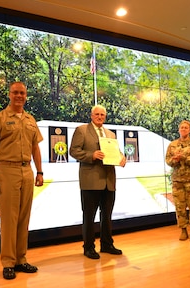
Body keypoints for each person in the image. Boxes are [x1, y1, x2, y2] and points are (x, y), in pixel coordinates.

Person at [0, 81, 44, 279]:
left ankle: (21, 259)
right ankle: (8, 262)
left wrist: (39, 172)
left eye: (22, 93)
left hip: (27, 172)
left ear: (26, 96)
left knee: (24, 218)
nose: (19, 96)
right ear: (9, 94)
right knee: (9, 220)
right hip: (6, 171)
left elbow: (35, 148)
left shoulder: (30, 119)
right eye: (15, 92)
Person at [69, 104, 126, 259]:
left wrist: (122, 158)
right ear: (91, 115)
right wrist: (91, 155)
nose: (100, 117)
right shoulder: (81, 130)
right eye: (97, 114)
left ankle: (107, 244)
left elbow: (116, 152)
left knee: (107, 215)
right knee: (89, 215)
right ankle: (88, 247)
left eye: (102, 115)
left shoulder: (111, 135)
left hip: (109, 180)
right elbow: (73, 151)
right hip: (90, 180)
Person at [165, 120, 190, 241]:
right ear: (178, 130)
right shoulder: (172, 145)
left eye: (186, 128)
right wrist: (175, 160)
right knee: (180, 207)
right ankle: (183, 230)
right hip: (178, 182)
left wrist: (184, 157)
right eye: (181, 127)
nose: (183, 129)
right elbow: (168, 160)